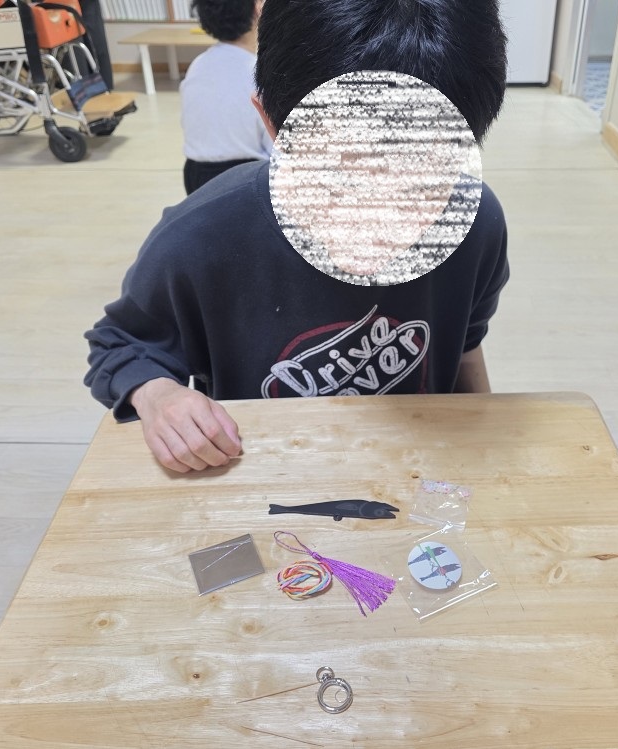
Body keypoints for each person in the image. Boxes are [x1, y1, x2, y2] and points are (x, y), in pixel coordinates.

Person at [86, 0, 509, 470]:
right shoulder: (202, 236)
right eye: (340, 181)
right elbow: (120, 343)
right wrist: (157, 395)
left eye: (420, 184)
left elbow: (466, 344)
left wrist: (484, 456)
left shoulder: (475, 224)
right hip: (260, 474)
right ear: (270, 123)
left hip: (417, 470)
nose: (377, 222)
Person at [180, 0, 272, 194]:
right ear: (257, 8)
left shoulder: (197, 66)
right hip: (243, 180)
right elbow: (275, 146)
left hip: (195, 175)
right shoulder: (259, 72)